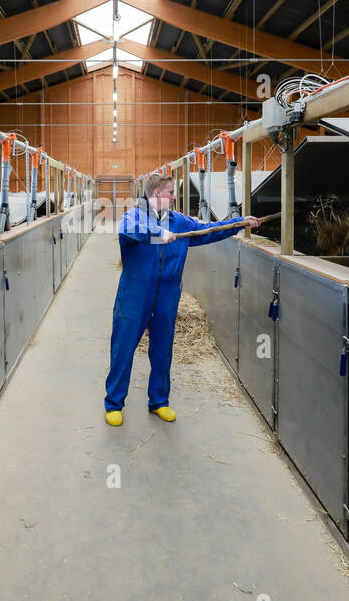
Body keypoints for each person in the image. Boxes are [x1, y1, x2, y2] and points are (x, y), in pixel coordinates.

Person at [103, 172, 259, 426]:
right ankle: (114, 403)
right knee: (124, 347)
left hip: (168, 294)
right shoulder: (134, 216)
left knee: (162, 350)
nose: (175, 196)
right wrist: (158, 233)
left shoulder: (180, 221)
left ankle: (159, 402)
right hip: (135, 295)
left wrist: (238, 223)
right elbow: (131, 230)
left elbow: (207, 230)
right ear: (156, 194)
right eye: (171, 192)